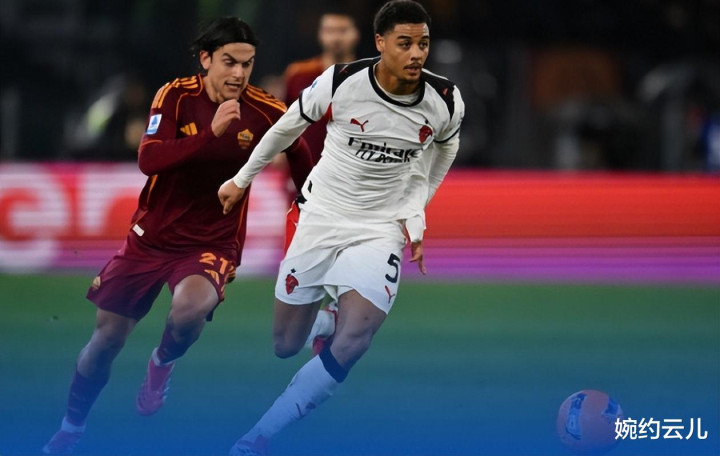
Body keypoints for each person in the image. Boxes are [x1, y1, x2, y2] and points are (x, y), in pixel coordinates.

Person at [42, 17, 313, 455]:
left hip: (212, 241)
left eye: (247, 64)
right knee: (104, 342)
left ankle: (161, 363)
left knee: (190, 311)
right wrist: (211, 135)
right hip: (150, 239)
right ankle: (71, 429)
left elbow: (298, 147)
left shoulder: (265, 109)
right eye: (229, 62)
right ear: (206, 59)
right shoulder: (175, 96)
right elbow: (149, 160)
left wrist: (310, 201)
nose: (239, 73)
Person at [218, 1, 464, 454]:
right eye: (405, 43)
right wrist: (241, 179)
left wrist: (417, 209)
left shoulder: (445, 99)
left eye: (423, 44)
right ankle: (325, 317)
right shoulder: (342, 81)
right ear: (380, 43)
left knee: (354, 340)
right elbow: (286, 128)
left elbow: (446, 148)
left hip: (380, 228)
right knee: (285, 344)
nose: (416, 54)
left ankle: (258, 437)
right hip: (321, 216)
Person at [283, 8, 360, 161]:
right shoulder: (298, 74)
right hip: (305, 164)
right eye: (330, 31)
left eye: (343, 31)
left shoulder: (370, 77)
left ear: (356, 34)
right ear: (320, 34)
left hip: (351, 165)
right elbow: (284, 119)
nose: (336, 38)